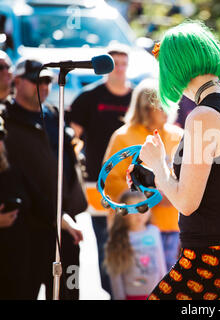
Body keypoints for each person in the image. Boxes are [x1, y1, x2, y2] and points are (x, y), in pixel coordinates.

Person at [129, 21, 220, 300]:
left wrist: (158, 163)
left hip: (212, 259)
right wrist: (154, 175)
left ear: (175, 67)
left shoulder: (202, 115)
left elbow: (188, 204)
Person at [0, 58, 85, 299]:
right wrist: (55, 216)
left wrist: (69, 210)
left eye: (47, 80)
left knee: (69, 292)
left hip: (65, 230)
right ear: (17, 81)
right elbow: (17, 176)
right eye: (36, 80)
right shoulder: (5, 118)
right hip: (25, 229)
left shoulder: (54, 113)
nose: (44, 86)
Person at [69, 44, 133, 296]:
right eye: (114, 63)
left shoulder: (136, 98)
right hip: (97, 183)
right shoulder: (89, 98)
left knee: (132, 241)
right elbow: (72, 138)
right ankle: (110, 291)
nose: (119, 68)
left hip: (133, 187)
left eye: (124, 63)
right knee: (105, 241)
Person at [103, 78, 183, 270]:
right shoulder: (123, 137)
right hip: (136, 229)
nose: (167, 110)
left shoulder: (177, 135)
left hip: (174, 227)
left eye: (168, 104)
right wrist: (149, 198)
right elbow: (111, 182)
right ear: (145, 108)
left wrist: (175, 194)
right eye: (161, 105)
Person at [104, 190, 167, 300]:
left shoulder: (154, 231)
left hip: (156, 294)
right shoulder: (118, 237)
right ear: (123, 213)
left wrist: (165, 290)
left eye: (143, 208)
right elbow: (116, 275)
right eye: (134, 209)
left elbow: (161, 264)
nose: (140, 214)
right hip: (131, 296)